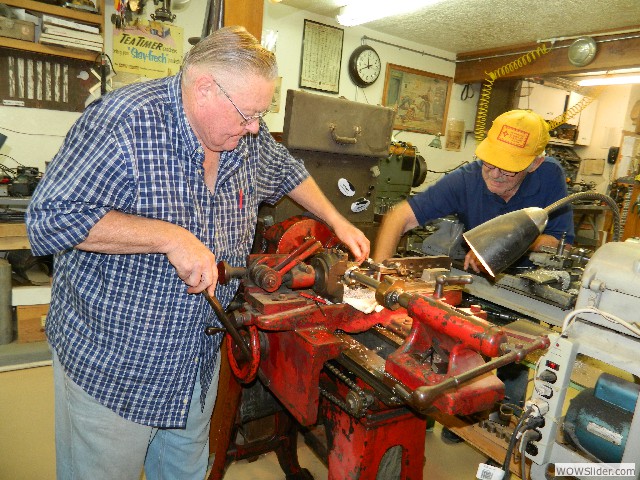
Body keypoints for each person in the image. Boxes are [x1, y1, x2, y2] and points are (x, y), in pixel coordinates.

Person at [26, 26, 369, 480]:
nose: (253, 128)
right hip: (114, 365)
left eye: (258, 116)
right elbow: (49, 220)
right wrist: (169, 237)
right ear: (204, 88)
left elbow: (287, 170)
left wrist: (338, 221)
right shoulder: (123, 122)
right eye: (247, 115)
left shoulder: (245, 136)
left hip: (193, 362)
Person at [372, 109, 574, 270]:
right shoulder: (468, 178)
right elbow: (398, 216)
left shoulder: (549, 175)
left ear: (534, 164)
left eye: (508, 169)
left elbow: (559, 244)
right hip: (478, 280)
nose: (494, 174)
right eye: (490, 163)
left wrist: (499, 246)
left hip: (528, 284)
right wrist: (378, 278)